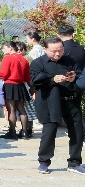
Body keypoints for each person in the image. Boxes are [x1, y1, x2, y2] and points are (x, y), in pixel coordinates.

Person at [29, 38, 83, 175]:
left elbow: (78, 74)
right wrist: (52, 79)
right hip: (50, 102)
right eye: (54, 51)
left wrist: (73, 78)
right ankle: (44, 162)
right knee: (49, 131)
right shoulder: (38, 63)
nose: (58, 54)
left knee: (77, 131)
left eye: (60, 50)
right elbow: (34, 81)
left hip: (70, 100)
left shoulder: (69, 61)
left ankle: (74, 162)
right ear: (45, 49)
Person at [0, 41, 32, 140]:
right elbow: (27, 77)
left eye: (4, 48)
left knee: (11, 109)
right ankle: (25, 132)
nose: (3, 50)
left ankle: (12, 132)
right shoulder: (23, 59)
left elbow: (4, 74)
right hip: (21, 85)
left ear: (10, 48)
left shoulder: (7, 58)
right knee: (22, 109)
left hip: (10, 84)